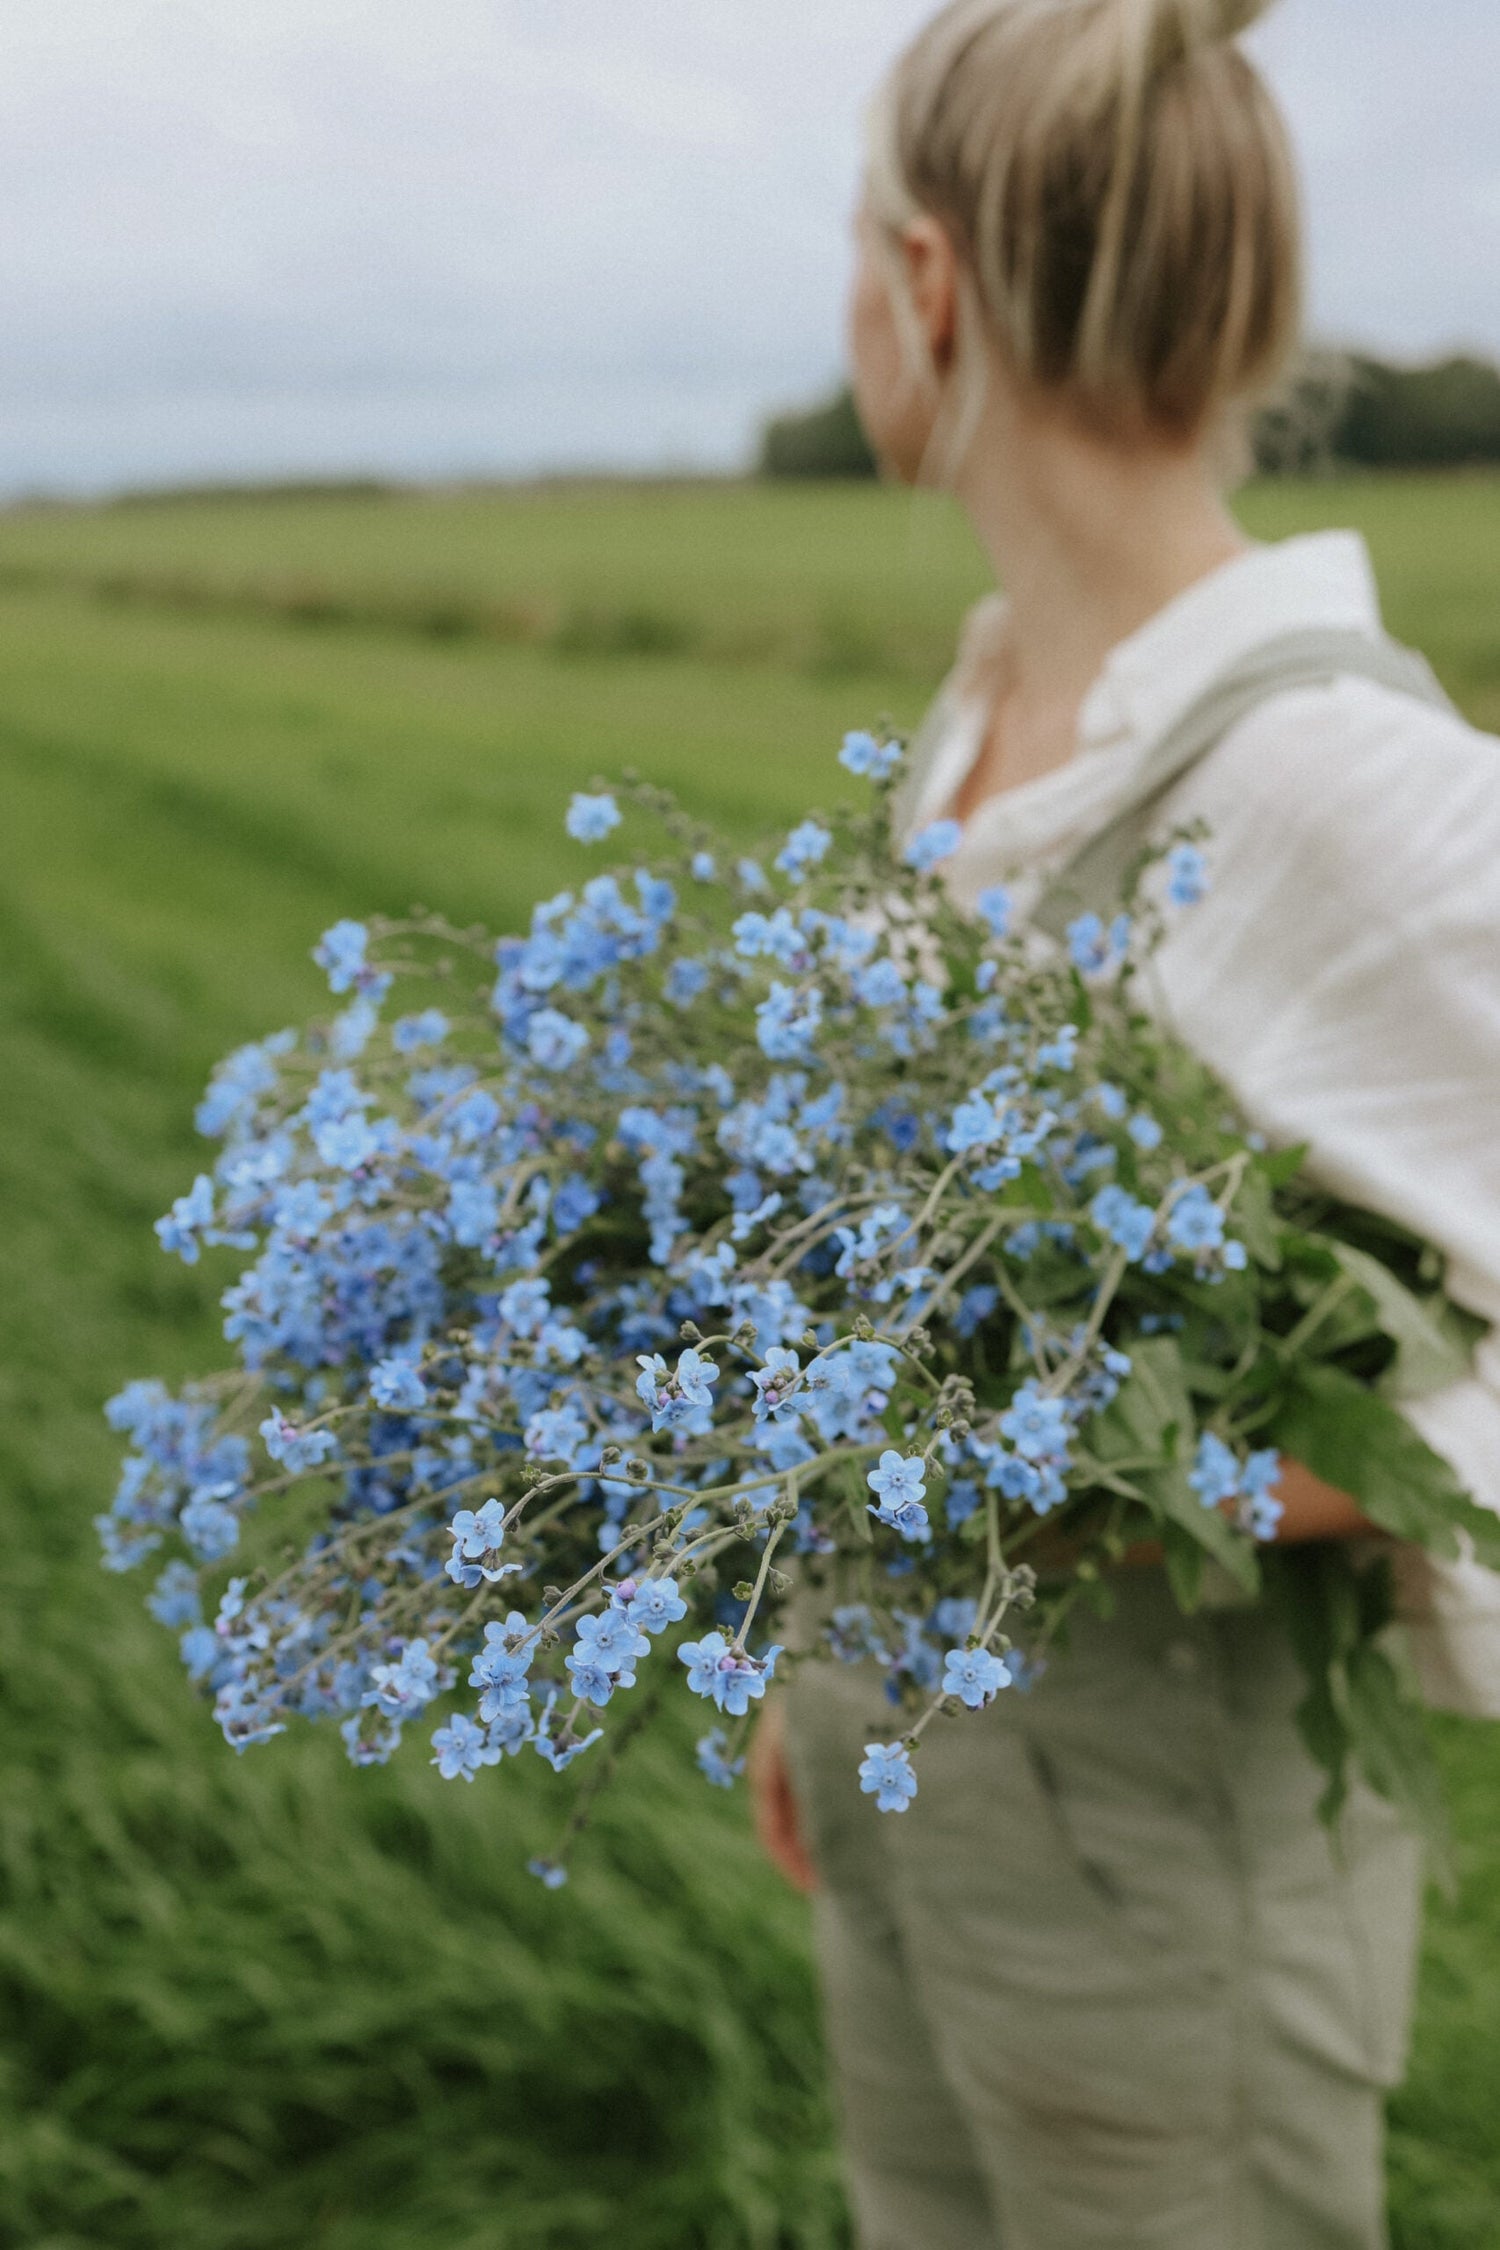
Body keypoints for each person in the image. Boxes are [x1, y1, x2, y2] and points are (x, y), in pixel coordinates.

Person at [748, 2, 1500, 2244]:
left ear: (934, 285)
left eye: (850, 250)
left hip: (1172, 1876)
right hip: (916, 1781)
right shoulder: (991, 709)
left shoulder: (1341, 785)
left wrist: (1183, 1458)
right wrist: (830, 1682)